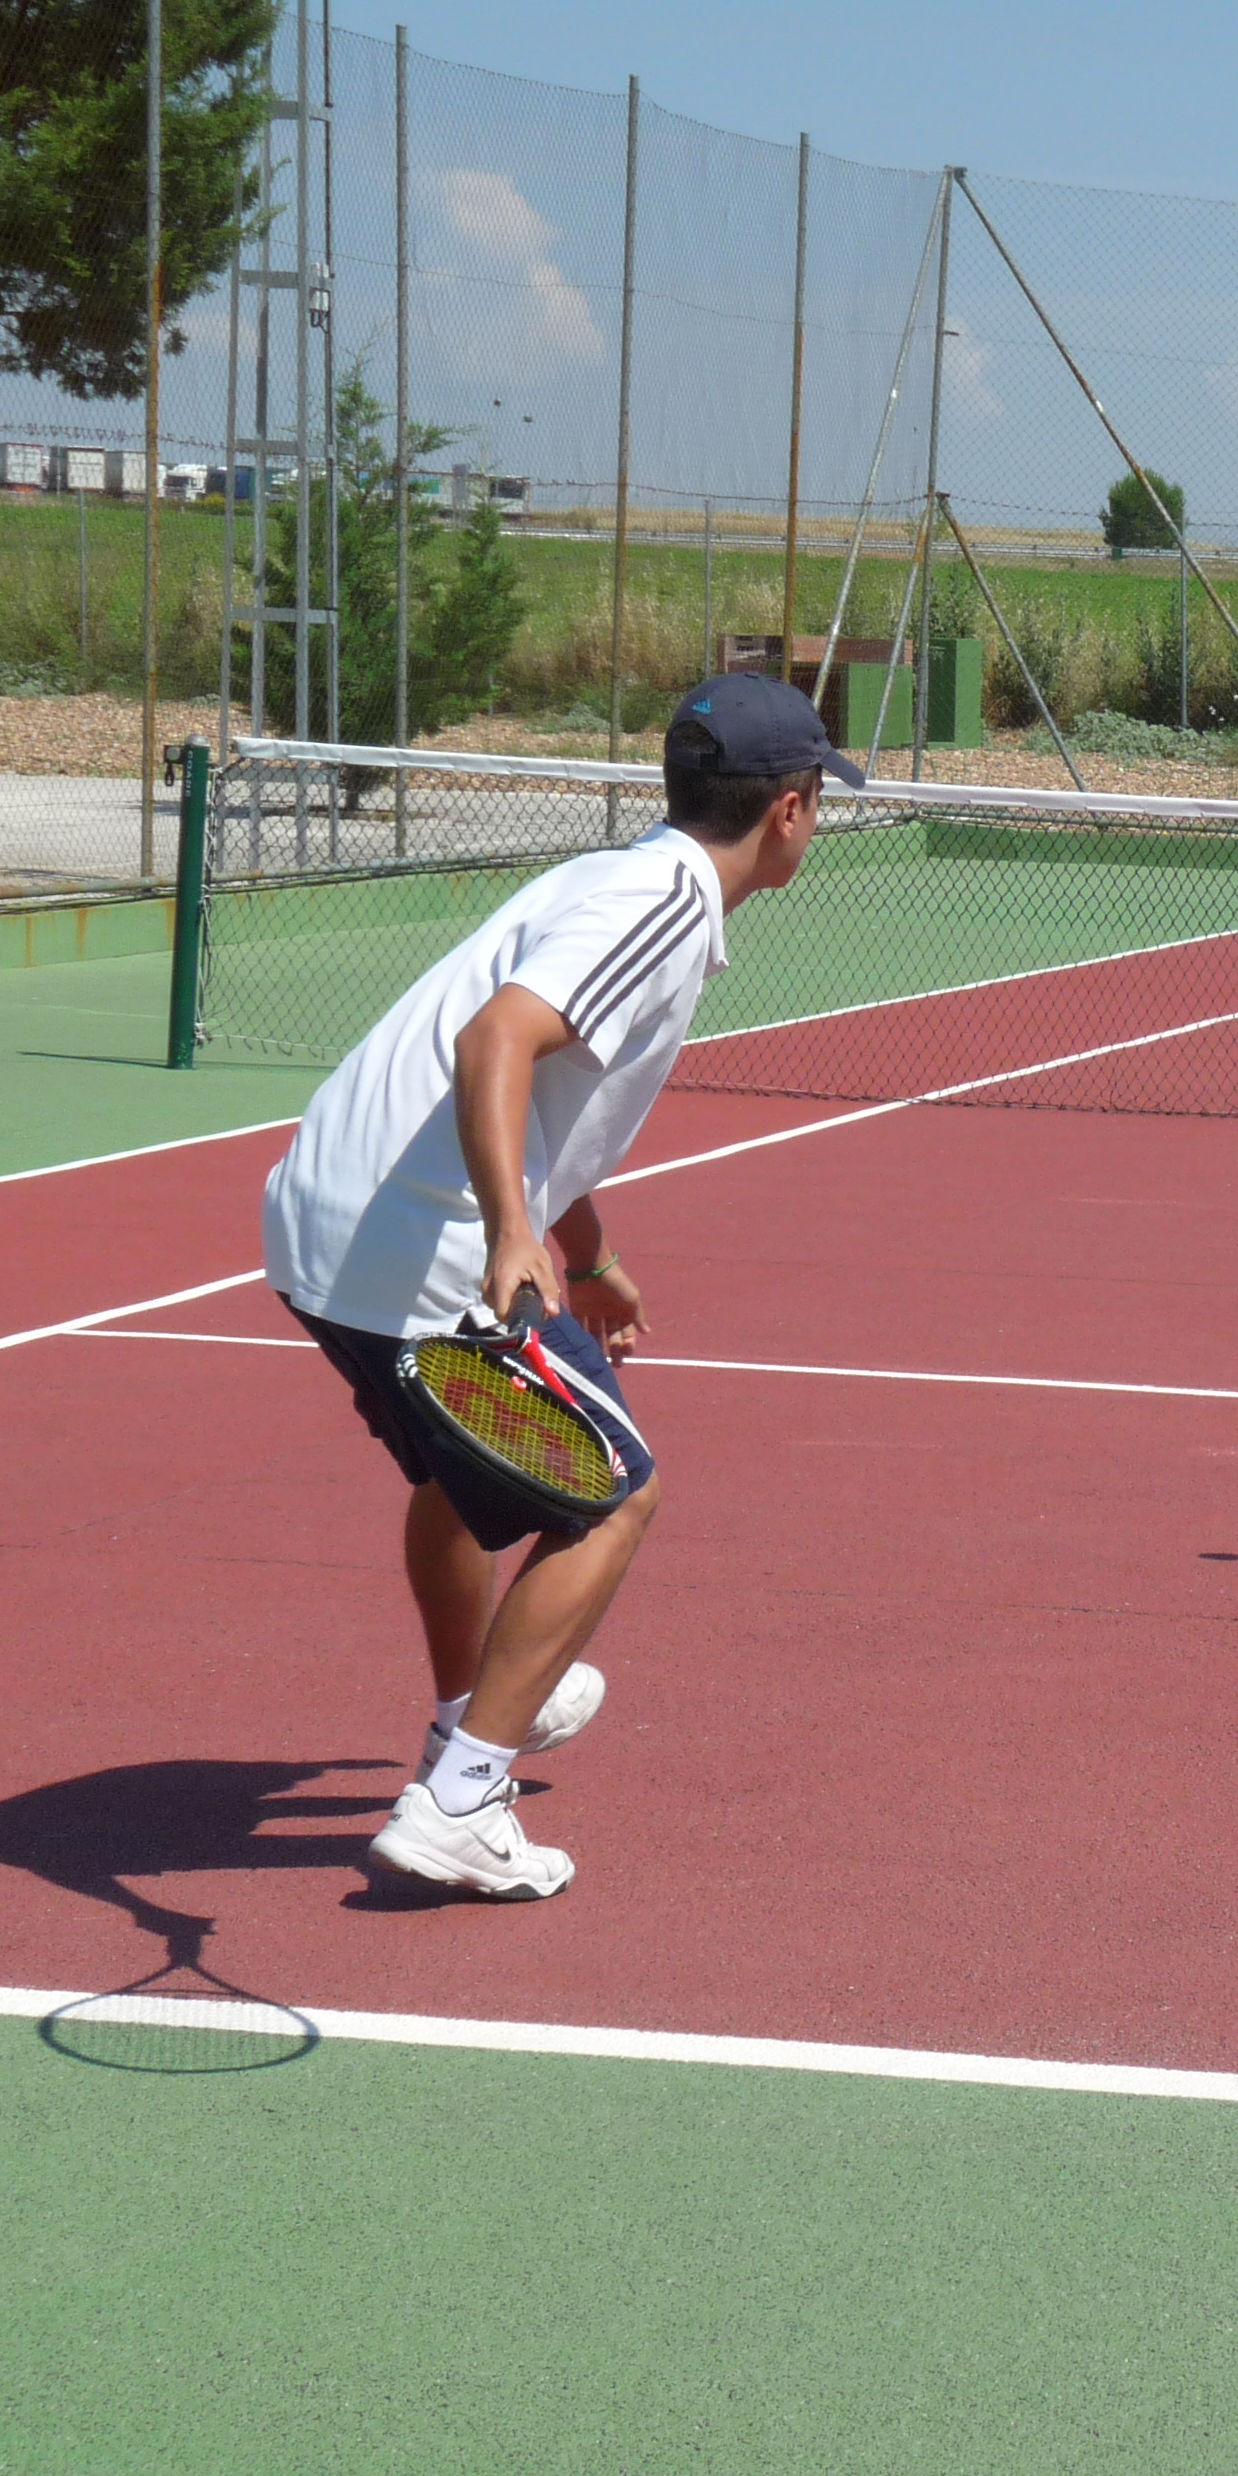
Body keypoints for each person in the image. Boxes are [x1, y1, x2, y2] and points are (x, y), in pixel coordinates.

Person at [258, 673, 863, 1899]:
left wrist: (585, 1257)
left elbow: (537, 1101)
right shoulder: (665, 905)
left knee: (458, 1482)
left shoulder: (607, 878)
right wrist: (509, 1236)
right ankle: (462, 1798)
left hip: (319, 1233)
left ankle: (467, 1723)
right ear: (791, 810)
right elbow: (499, 1041)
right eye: (820, 801)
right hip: (428, 1246)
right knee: (613, 1498)